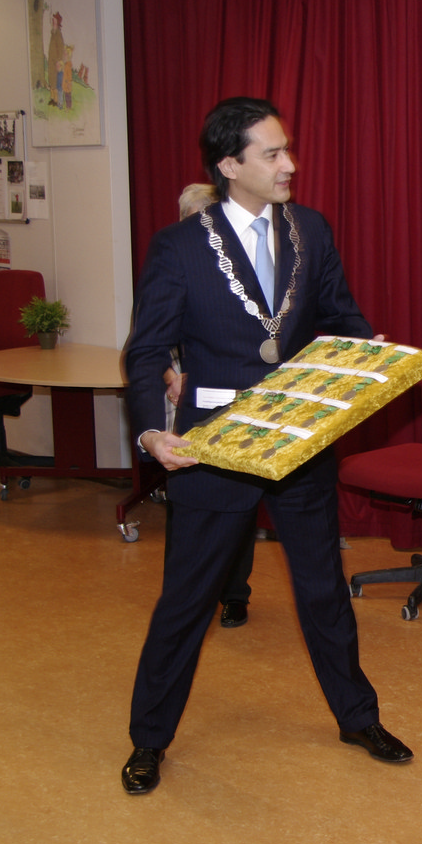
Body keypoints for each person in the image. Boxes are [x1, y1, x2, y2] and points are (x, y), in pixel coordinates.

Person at [120, 97, 412, 795]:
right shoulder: (179, 248)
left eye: (287, 150)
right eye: (273, 154)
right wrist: (152, 430)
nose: (290, 165)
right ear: (229, 165)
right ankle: (148, 739)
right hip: (213, 447)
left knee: (323, 589)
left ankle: (357, 717)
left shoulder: (311, 229)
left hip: (299, 440)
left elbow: (340, 315)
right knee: (187, 600)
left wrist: (364, 351)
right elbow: (146, 350)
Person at [168, 181, 256, 629]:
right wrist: (172, 377)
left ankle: (234, 594)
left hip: (237, 403)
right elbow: (146, 342)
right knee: (191, 504)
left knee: (237, 500)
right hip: (190, 408)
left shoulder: (247, 271)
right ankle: (187, 593)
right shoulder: (173, 264)